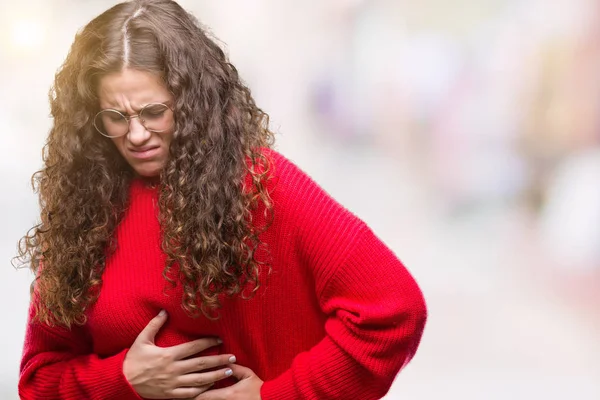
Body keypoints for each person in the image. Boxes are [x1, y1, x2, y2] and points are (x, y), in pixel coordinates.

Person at [16, 1, 427, 399]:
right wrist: (122, 379)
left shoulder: (264, 185)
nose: (137, 134)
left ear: (192, 102)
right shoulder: (83, 212)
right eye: (116, 117)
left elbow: (394, 311)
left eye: (154, 111)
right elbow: (39, 380)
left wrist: (279, 397)